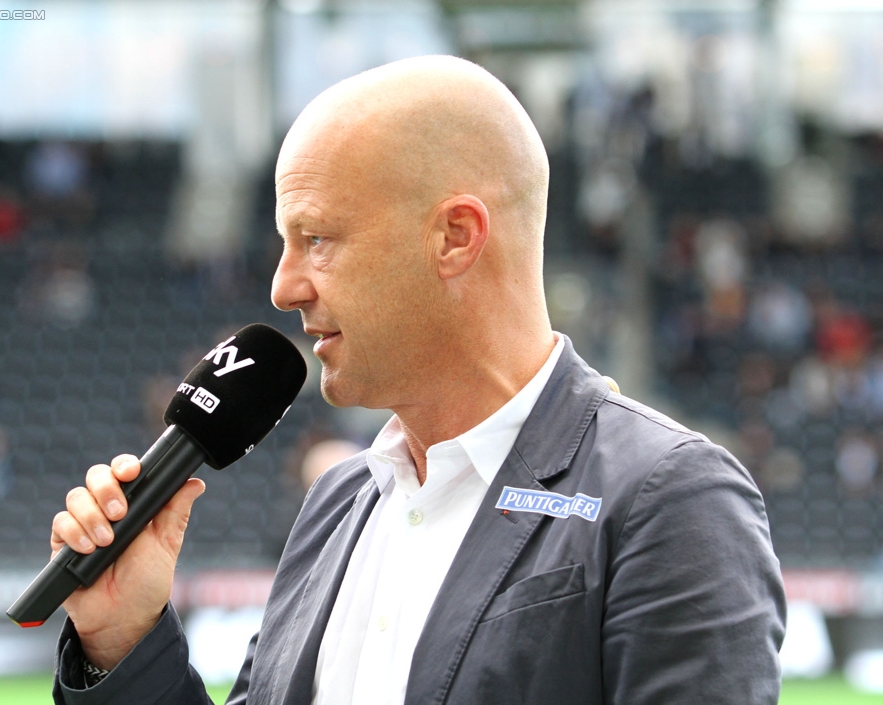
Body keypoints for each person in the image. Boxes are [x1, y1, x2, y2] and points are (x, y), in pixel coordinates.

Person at [50, 56, 786, 704]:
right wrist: (126, 638)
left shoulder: (668, 497)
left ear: (455, 237)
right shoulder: (339, 500)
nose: (283, 286)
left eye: (317, 239)